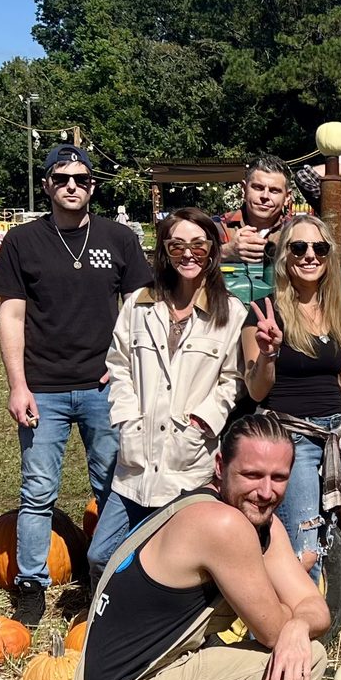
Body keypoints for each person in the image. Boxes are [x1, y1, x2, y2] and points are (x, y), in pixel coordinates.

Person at [58, 414, 332, 680]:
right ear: (220, 467)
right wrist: (294, 626)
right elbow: (273, 632)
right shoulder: (221, 524)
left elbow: (315, 608)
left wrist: (298, 622)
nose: (266, 490)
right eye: (252, 474)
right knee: (309, 659)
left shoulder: (256, 517)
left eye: (279, 477)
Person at [0, 145, 152, 625]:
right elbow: (12, 315)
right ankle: (31, 584)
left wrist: (125, 366)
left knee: (113, 485)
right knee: (38, 489)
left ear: (92, 186)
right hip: (43, 387)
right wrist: (17, 385)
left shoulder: (119, 238)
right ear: (46, 184)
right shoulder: (22, 242)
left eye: (81, 179)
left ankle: (114, 577)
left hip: (104, 388)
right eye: (62, 178)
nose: (72, 186)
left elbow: (139, 308)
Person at [90, 208, 246, 584]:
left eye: (198, 245)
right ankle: (105, 622)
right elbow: (120, 364)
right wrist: (126, 417)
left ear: (212, 250)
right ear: (164, 251)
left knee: (168, 562)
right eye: (177, 246)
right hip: (135, 463)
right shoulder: (141, 305)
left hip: (186, 461)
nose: (188, 255)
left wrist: (202, 422)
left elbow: (233, 380)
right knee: (100, 554)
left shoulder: (230, 314)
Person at [242, 214, 341, 580]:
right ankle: (299, 626)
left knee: (328, 529)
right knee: (302, 543)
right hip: (294, 436)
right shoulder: (264, 313)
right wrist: (269, 353)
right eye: (299, 247)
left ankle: (318, 614)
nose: (310, 255)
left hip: (336, 438)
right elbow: (256, 390)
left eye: (319, 248)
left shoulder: (335, 310)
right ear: (284, 257)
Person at [221, 154, 295, 265]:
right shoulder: (217, 227)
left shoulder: (296, 232)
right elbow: (188, 259)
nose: (265, 196)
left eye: (274, 190)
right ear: (244, 189)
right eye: (258, 187)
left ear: (287, 197)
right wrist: (226, 251)